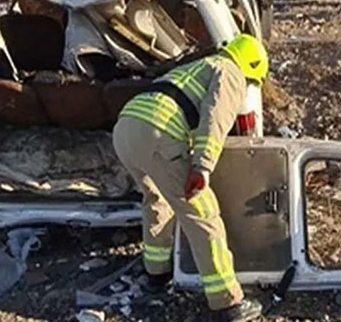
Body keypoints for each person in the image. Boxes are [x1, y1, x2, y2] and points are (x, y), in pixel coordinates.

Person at [113, 34, 268, 322]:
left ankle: (156, 274)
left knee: (156, 201)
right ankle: (228, 304)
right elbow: (216, 118)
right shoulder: (230, 71)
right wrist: (203, 167)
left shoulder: (198, 66)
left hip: (125, 129)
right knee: (202, 214)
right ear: (251, 67)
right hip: (156, 133)